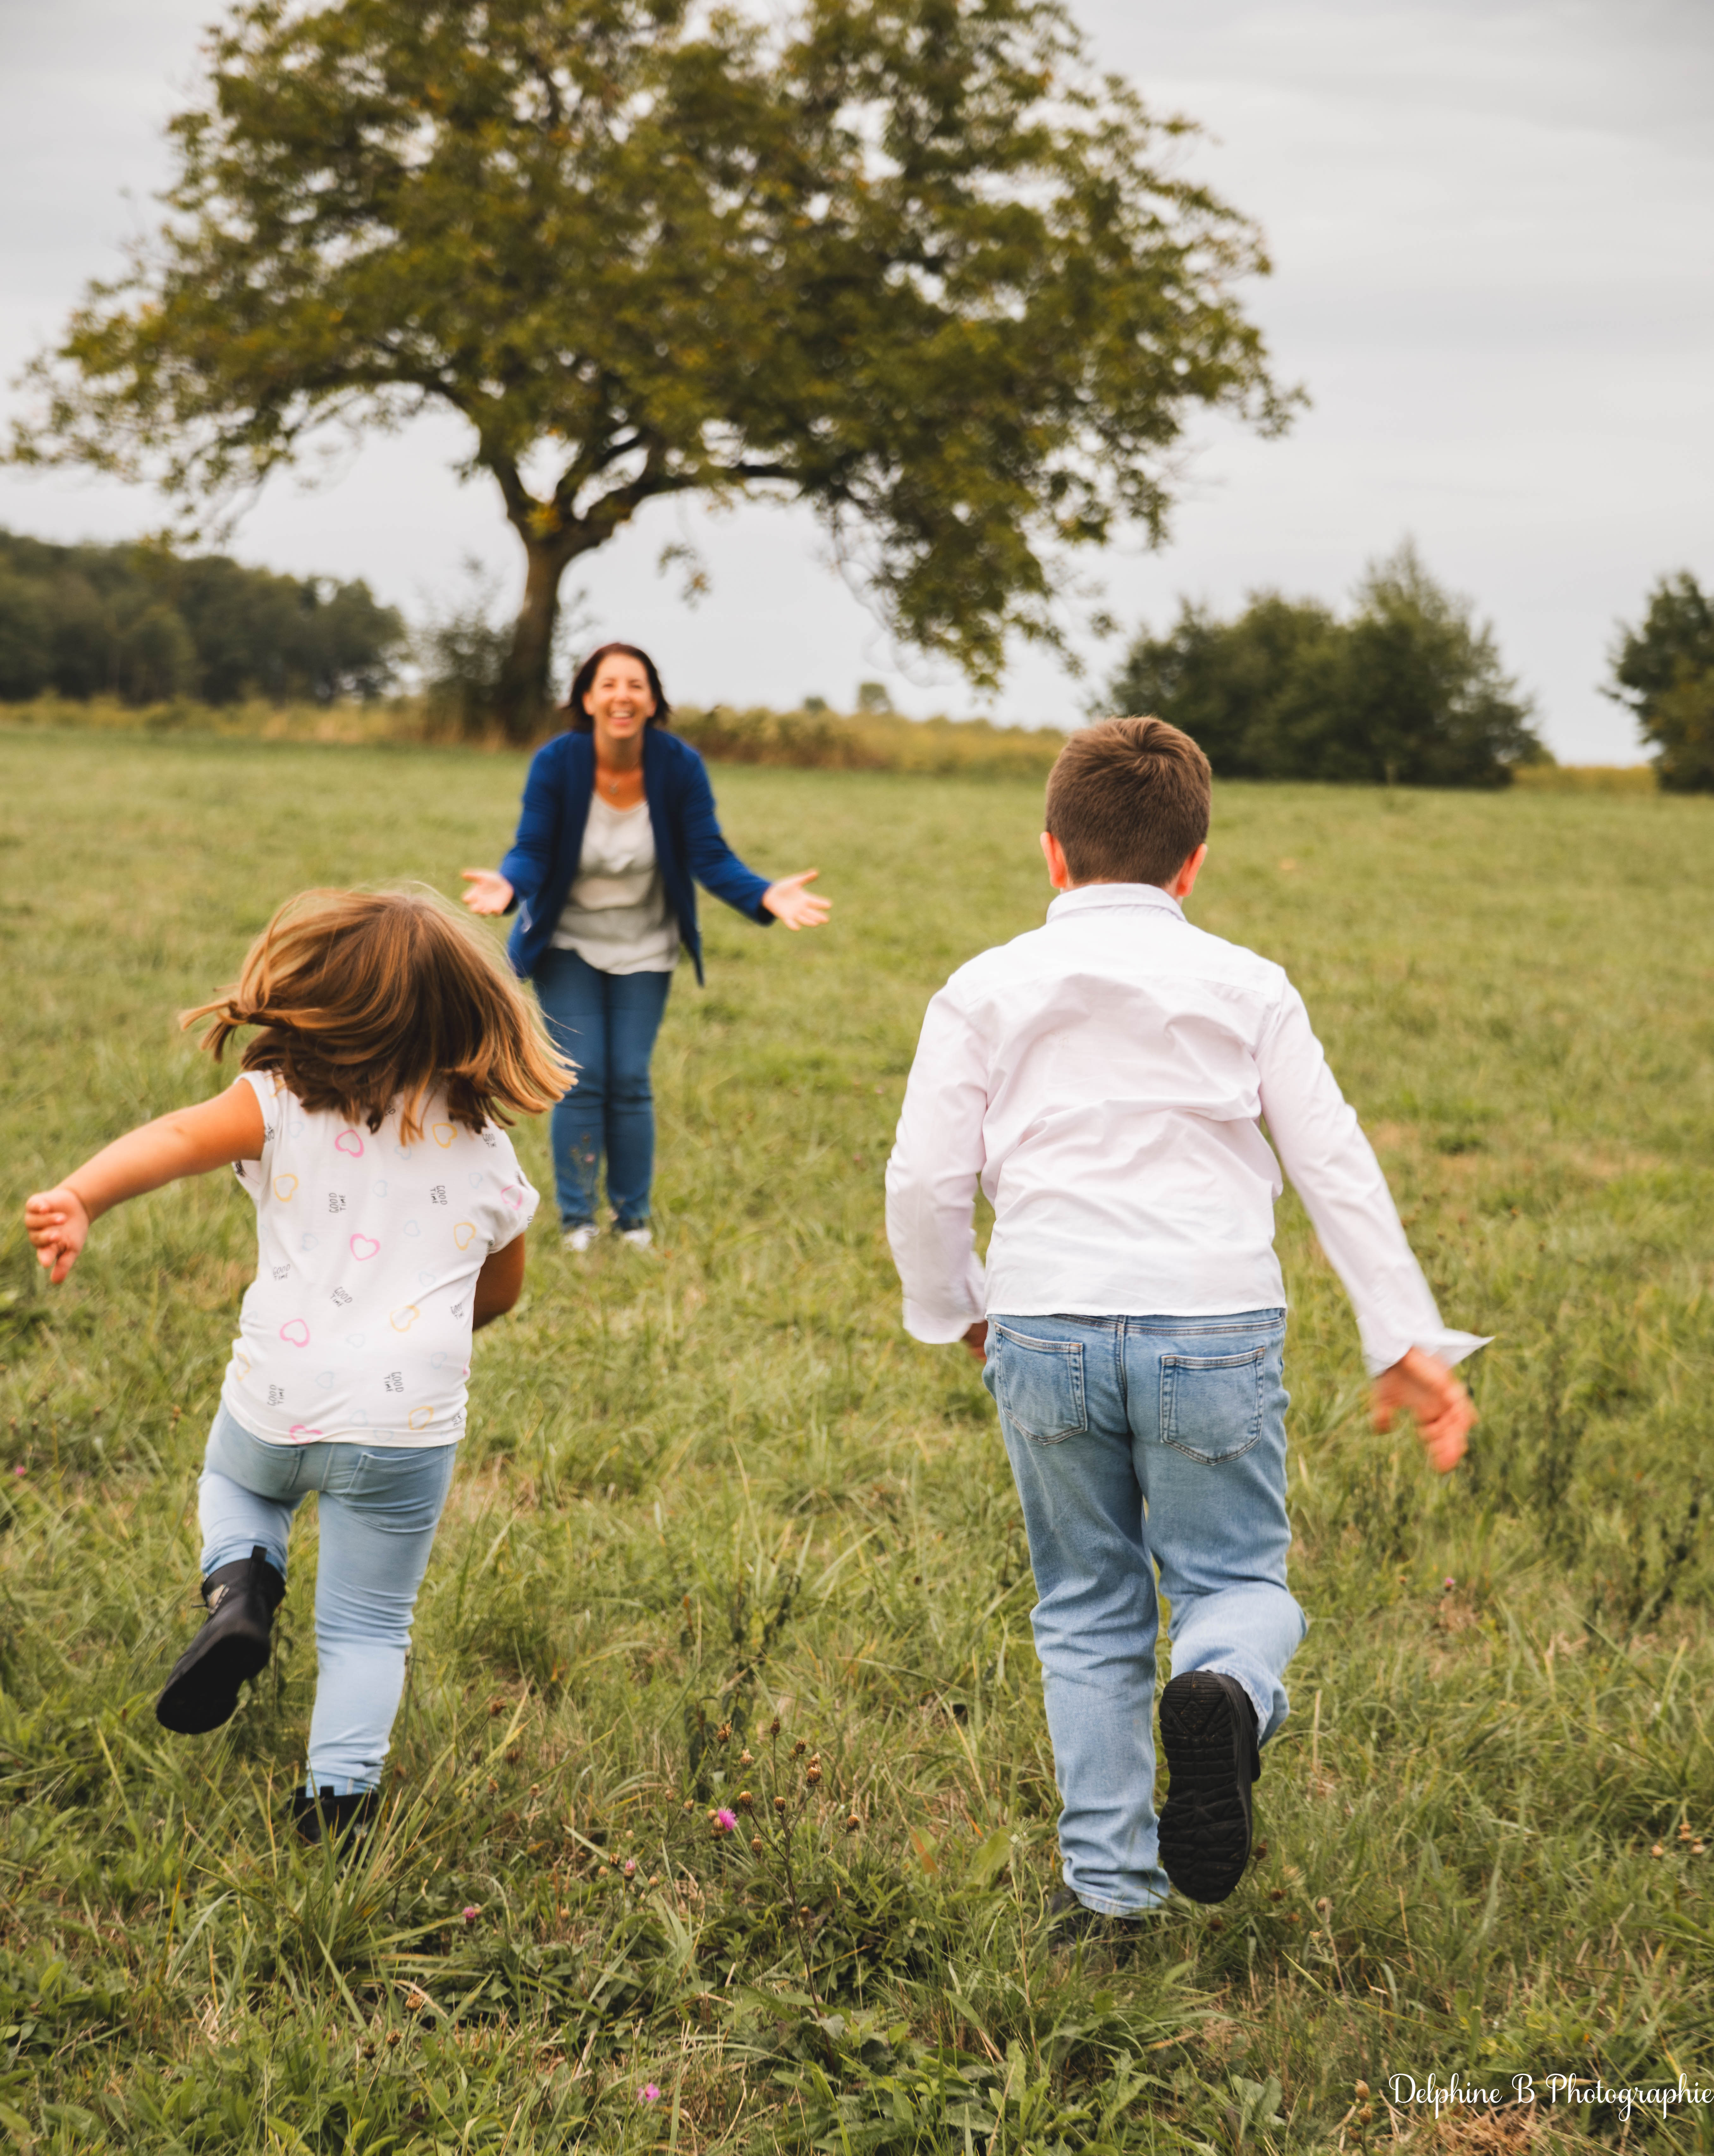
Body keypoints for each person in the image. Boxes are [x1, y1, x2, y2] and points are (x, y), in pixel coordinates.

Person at [884, 717, 1484, 1937]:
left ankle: (1107, 1899)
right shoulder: (1249, 986)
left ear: (1052, 854)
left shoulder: (982, 986)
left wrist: (959, 1311)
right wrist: (1402, 1337)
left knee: (1086, 1605)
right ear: (1193, 862)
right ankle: (1220, 1684)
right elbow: (1335, 1167)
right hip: (1211, 1325)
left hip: (1043, 1322)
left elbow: (923, 1180)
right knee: (1235, 1583)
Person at [23, 889, 568, 1845]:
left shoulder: (277, 1104)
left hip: (278, 1397)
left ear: (321, 1000)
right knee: (366, 1626)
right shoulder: (488, 1153)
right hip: (404, 1431)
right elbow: (501, 1291)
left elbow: (176, 1141)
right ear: (467, 1015)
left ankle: (242, 1587)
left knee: (233, 1480)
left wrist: (81, 1195)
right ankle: (336, 1804)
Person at [462, 642, 830, 1250]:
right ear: (587, 698)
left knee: (629, 1078)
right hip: (569, 942)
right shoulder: (558, 763)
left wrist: (766, 897)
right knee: (581, 1077)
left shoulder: (677, 766)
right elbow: (533, 849)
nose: (622, 696)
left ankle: (632, 1221)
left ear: (653, 699)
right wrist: (506, 887)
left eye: (635, 685)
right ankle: (578, 1220)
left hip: (646, 944)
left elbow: (707, 854)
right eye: (608, 685)